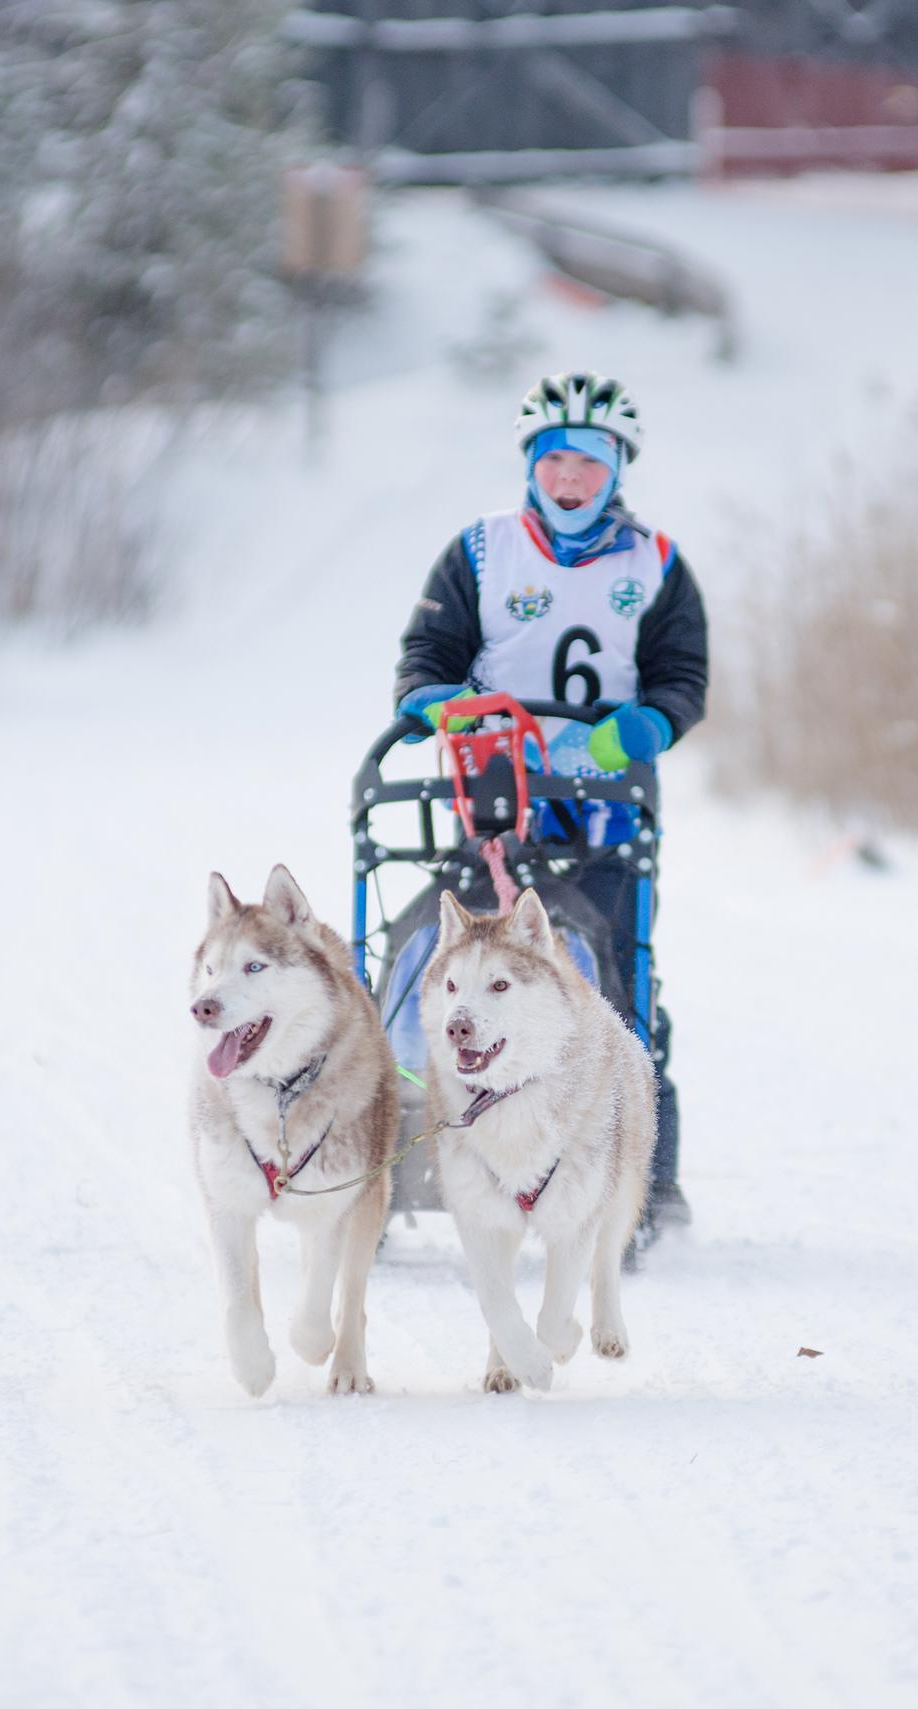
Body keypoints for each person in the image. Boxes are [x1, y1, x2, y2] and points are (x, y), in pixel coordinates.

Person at [390, 370, 709, 1249]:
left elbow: (684, 676)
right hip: (493, 795)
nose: (572, 477)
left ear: (617, 472)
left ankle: (646, 1182)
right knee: (455, 957)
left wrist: (644, 724)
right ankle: (419, 1140)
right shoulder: (481, 553)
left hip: (607, 806)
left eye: (591, 463)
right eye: (556, 459)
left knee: (619, 982)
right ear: (532, 466)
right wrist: (439, 705)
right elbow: (425, 658)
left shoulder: (655, 564)